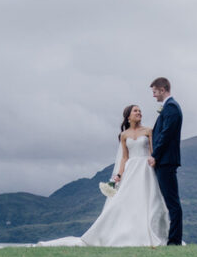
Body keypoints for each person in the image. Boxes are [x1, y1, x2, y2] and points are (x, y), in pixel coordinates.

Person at [37, 104, 169, 247]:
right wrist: (119, 174)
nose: (139, 113)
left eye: (140, 111)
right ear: (128, 116)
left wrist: (154, 161)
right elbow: (125, 157)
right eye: (135, 111)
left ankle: (150, 233)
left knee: (149, 200)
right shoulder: (124, 135)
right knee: (125, 201)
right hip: (131, 170)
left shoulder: (149, 130)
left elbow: (153, 150)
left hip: (145, 169)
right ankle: (124, 233)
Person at [148, 77, 183, 245]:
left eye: (155, 92)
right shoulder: (169, 108)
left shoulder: (171, 108)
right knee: (170, 201)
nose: (154, 96)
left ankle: (174, 240)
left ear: (163, 90)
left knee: (172, 202)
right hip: (165, 161)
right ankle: (172, 238)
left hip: (166, 161)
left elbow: (166, 135)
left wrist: (155, 156)